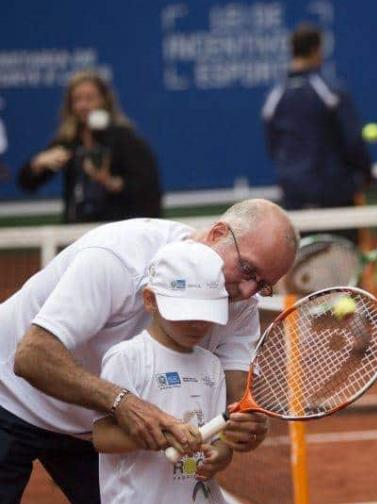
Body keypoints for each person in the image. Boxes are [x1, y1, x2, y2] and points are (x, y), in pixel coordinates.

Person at [0, 198, 297, 503]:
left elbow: (236, 395)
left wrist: (239, 432)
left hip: (96, 430)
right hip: (10, 394)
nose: (248, 291)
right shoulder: (118, 257)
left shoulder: (241, 302)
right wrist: (123, 403)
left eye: (263, 285)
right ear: (218, 233)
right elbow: (32, 356)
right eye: (247, 269)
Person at [93, 240, 231, 503]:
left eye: (206, 312)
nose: (198, 323)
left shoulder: (212, 365)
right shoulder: (127, 358)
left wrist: (222, 455)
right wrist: (161, 436)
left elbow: (218, 439)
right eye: (186, 311)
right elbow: (102, 437)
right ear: (150, 300)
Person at [262, 23, 372, 244]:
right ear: (316, 50)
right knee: (345, 263)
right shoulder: (330, 90)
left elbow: (272, 145)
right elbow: (352, 140)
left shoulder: (275, 96)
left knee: (302, 264)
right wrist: (365, 173)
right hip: (334, 194)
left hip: (294, 195)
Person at [17, 70, 162, 223]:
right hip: (77, 231)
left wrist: (109, 181)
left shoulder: (125, 139)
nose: (83, 105)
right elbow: (27, 183)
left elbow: (147, 189)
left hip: (115, 229)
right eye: (77, 100)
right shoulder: (69, 141)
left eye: (90, 98)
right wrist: (37, 164)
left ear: (104, 101)